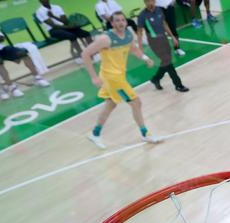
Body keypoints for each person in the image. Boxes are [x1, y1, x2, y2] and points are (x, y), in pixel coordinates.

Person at [81, 11, 163, 150]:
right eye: (117, 21)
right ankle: (145, 134)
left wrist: (145, 58)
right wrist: (94, 77)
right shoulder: (105, 39)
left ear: (125, 22)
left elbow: (134, 50)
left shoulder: (129, 35)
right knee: (136, 102)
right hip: (112, 78)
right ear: (112, 23)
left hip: (119, 75)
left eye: (122, 20)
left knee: (111, 104)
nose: (120, 23)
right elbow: (85, 54)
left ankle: (95, 134)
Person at [137, 0, 189, 92]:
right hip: (154, 41)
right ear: (145, 2)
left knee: (166, 62)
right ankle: (178, 85)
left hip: (164, 39)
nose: (151, 3)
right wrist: (140, 47)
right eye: (148, 1)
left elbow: (164, 24)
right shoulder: (142, 15)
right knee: (168, 62)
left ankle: (155, 79)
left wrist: (172, 37)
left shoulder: (159, 10)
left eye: (152, 0)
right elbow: (139, 32)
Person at [0, 24, 49, 98]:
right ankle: (11, 87)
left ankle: (37, 77)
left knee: (22, 53)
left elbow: (1, 38)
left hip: (2, 47)